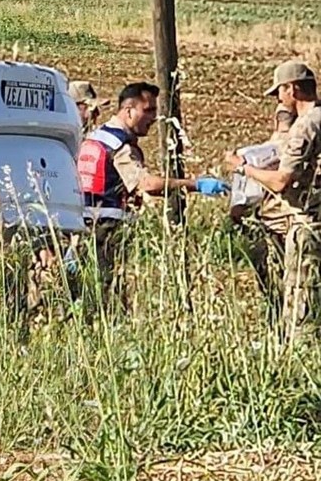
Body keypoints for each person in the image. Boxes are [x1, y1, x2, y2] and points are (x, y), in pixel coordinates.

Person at [77, 81, 228, 315]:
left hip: (82, 225)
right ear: (128, 111)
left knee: (84, 293)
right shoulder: (119, 146)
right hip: (105, 230)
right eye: (148, 111)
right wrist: (195, 184)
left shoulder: (94, 138)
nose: (154, 118)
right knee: (106, 301)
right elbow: (146, 185)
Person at [225, 60, 321, 345]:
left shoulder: (307, 126)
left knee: (302, 305)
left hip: (309, 225)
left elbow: (282, 181)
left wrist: (243, 167)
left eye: (280, 92)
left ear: (292, 89)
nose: (279, 99)